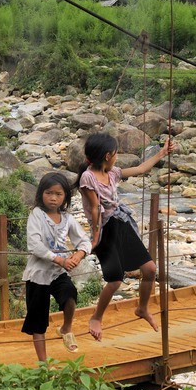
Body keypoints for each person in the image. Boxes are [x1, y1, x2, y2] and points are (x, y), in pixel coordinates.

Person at [78, 131, 173, 342]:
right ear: (106, 156)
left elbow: (140, 169)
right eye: (115, 154)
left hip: (121, 224)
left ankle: (142, 308)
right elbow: (95, 208)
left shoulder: (112, 173)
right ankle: (96, 317)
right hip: (105, 229)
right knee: (115, 281)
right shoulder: (88, 177)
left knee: (149, 269)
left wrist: (162, 153)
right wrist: (94, 238)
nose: (117, 157)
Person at [23, 171, 92, 360]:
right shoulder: (36, 215)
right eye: (49, 193)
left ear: (65, 197)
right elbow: (35, 244)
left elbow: (84, 241)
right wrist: (61, 260)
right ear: (41, 194)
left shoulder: (67, 218)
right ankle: (43, 363)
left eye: (58, 194)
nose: (53, 198)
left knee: (70, 295)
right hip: (38, 273)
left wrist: (78, 255)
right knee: (38, 320)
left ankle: (66, 328)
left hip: (57, 273)